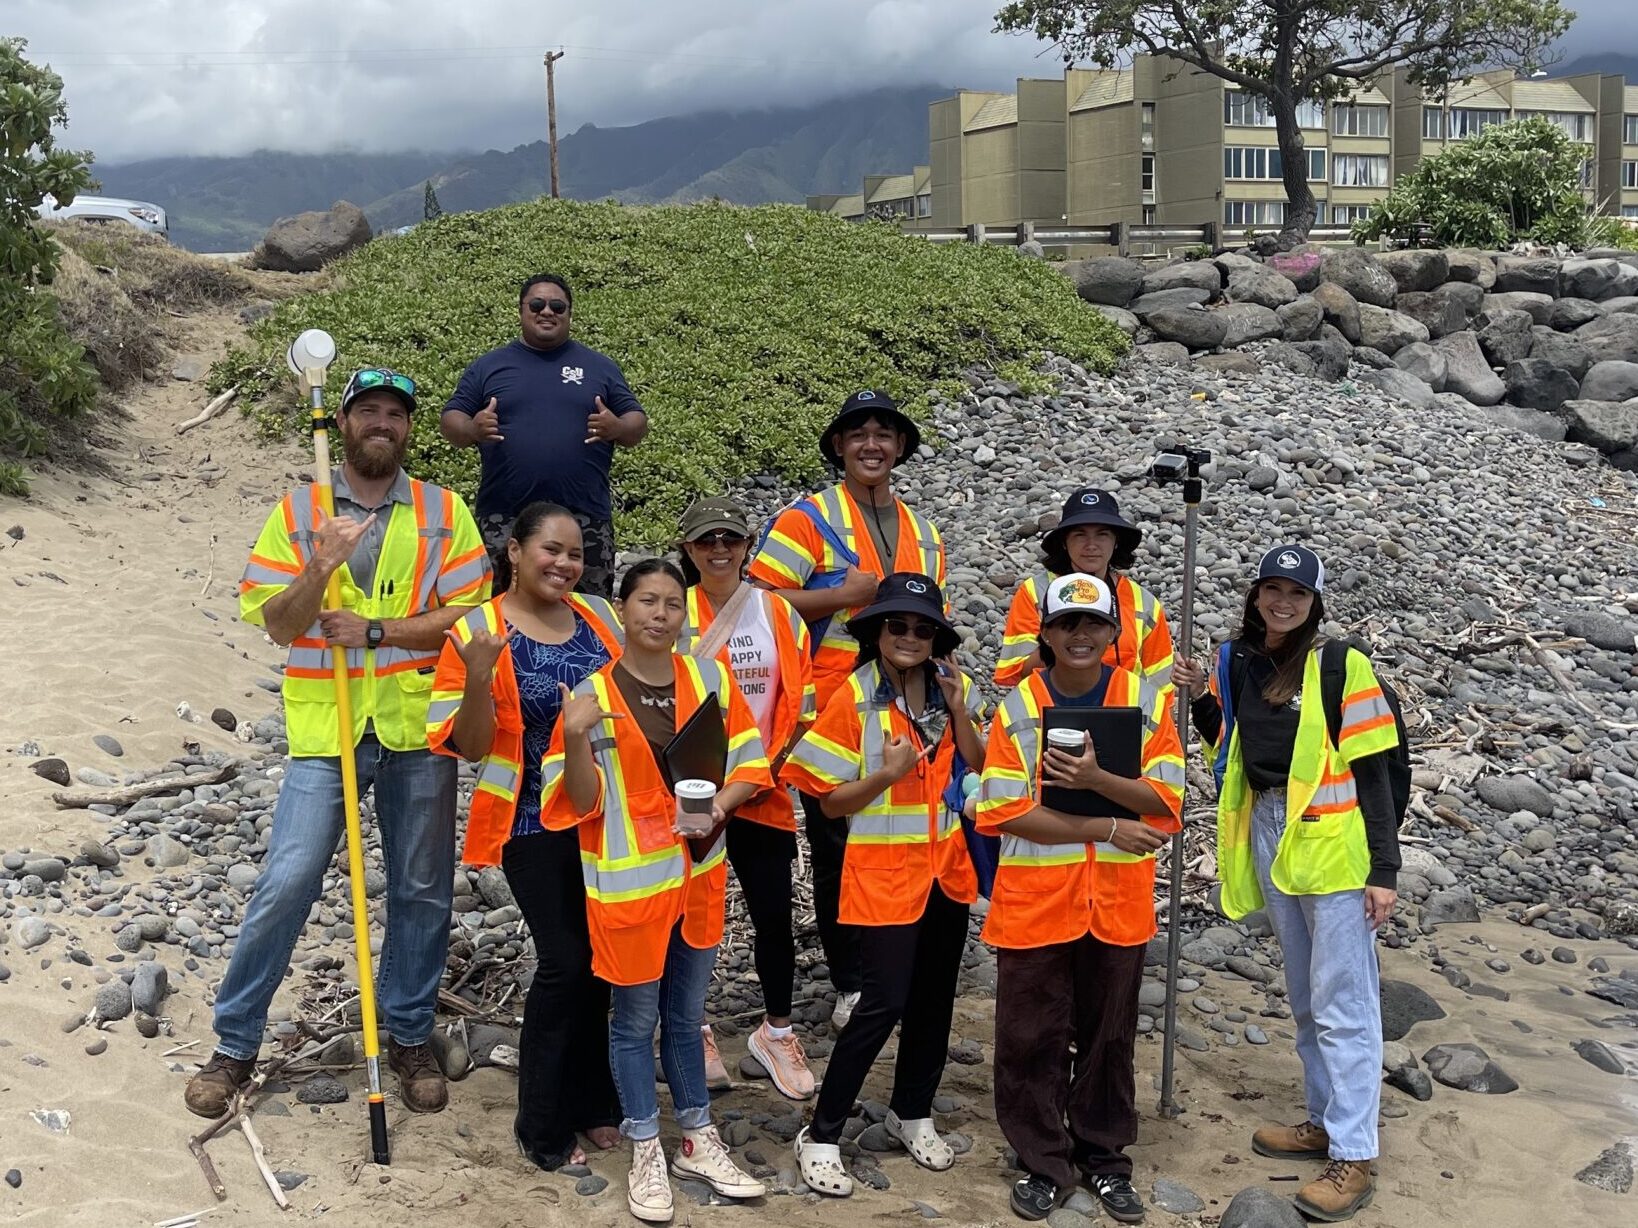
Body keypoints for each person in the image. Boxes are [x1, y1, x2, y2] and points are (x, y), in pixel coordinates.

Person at [186, 367, 491, 1120]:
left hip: (415, 725)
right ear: (344, 424)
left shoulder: (444, 512)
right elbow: (280, 624)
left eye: (395, 413)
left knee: (422, 890)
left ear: (409, 429)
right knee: (288, 879)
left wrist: (379, 631)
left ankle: (410, 1034)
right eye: (368, 412)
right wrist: (321, 562)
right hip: (327, 726)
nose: (381, 423)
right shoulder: (300, 512)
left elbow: (472, 615)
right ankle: (234, 1044)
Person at [1172, 545, 1399, 1224]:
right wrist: (1200, 702)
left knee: (1343, 1002)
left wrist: (1383, 872)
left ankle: (1354, 1157)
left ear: (1313, 603)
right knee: (1305, 996)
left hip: (1332, 847)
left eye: (1295, 594)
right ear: (1256, 595)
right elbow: (1234, 749)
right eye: (1272, 589)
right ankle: (1324, 1121)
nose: (1282, 602)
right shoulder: (1241, 661)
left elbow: (1376, 773)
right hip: (1272, 835)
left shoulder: (1340, 665)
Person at [542, 559, 771, 1224]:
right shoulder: (592, 694)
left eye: (672, 603)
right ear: (623, 609)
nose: (660, 614)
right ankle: (645, 1141)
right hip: (630, 889)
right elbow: (578, 802)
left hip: (698, 879)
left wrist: (720, 807)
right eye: (647, 601)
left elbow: (750, 763)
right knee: (634, 1023)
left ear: (683, 615)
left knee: (686, 1016)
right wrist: (578, 737)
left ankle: (698, 1137)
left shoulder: (709, 679)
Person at [977, 573, 1184, 1224]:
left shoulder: (1146, 700)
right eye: (1067, 624)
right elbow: (1003, 810)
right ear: (1044, 634)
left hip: (1116, 904)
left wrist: (1097, 779)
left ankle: (1103, 1157)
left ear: (1114, 634)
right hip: (1036, 904)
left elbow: (1166, 801)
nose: (1080, 636)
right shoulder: (1018, 706)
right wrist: (1105, 825)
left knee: (1108, 1037)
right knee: (1028, 1037)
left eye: (1093, 624)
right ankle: (1043, 1161)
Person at [426, 502, 625, 1170]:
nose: (565, 564)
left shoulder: (599, 616)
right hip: (529, 817)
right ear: (513, 551)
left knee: (602, 960)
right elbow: (470, 743)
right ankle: (540, 1124)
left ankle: (595, 1100)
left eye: (574, 554)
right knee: (566, 960)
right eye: (551, 550)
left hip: (603, 814)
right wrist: (480, 673)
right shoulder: (475, 629)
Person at [747, 389, 945, 1030]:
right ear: (838, 445)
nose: (871, 444)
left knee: (902, 834)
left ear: (900, 448)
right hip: (831, 706)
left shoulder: (924, 532)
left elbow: (935, 625)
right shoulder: (806, 520)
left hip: (911, 705)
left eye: (884, 434)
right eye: (857, 433)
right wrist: (842, 597)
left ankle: (895, 957)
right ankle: (851, 979)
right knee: (837, 844)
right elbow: (760, 607)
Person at [783, 573, 985, 1198]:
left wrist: (957, 710)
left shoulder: (957, 688)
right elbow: (829, 802)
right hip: (881, 879)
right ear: (877, 631)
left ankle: (912, 1111)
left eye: (923, 628)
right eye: (897, 625)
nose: (909, 637)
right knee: (881, 1005)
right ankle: (820, 1133)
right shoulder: (854, 696)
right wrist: (885, 775)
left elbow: (983, 766)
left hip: (946, 877)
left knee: (934, 1002)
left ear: (936, 638)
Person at [675, 497, 818, 1100]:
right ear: (687, 549)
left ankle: (777, 1031)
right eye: (707, 540)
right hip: (690, 789)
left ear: (747, 546)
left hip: (762, 786)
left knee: (771, 914)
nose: (719, 550)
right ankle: (693, 1028)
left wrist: (765, 770)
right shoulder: (670, 608)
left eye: (730, 540)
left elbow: (800, 698)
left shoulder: (777, 612)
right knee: (690, 914)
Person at [440, 272, 649, 597]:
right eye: (537, 304)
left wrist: (617, 427)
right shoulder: (488, 367)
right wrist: (472, 429)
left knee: (590, 616)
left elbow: (637, 422)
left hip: (585, 517)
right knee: (504, 613)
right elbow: (451, 420)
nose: (547, 311)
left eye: (557, 306)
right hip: (505, 515)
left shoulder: (599, 367)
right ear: (522, 310)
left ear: (569, 313)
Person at [994, 488, 1173, 696]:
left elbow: (1161, 688)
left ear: (1116, 542)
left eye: (1102, 535)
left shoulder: (1144, 602)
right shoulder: (1034, 593)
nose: (1091, 545)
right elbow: (1017, 673)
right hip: (1053, 712)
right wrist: (1059, 635)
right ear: (1063, 542)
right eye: (1080, 535)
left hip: (1125, 715)